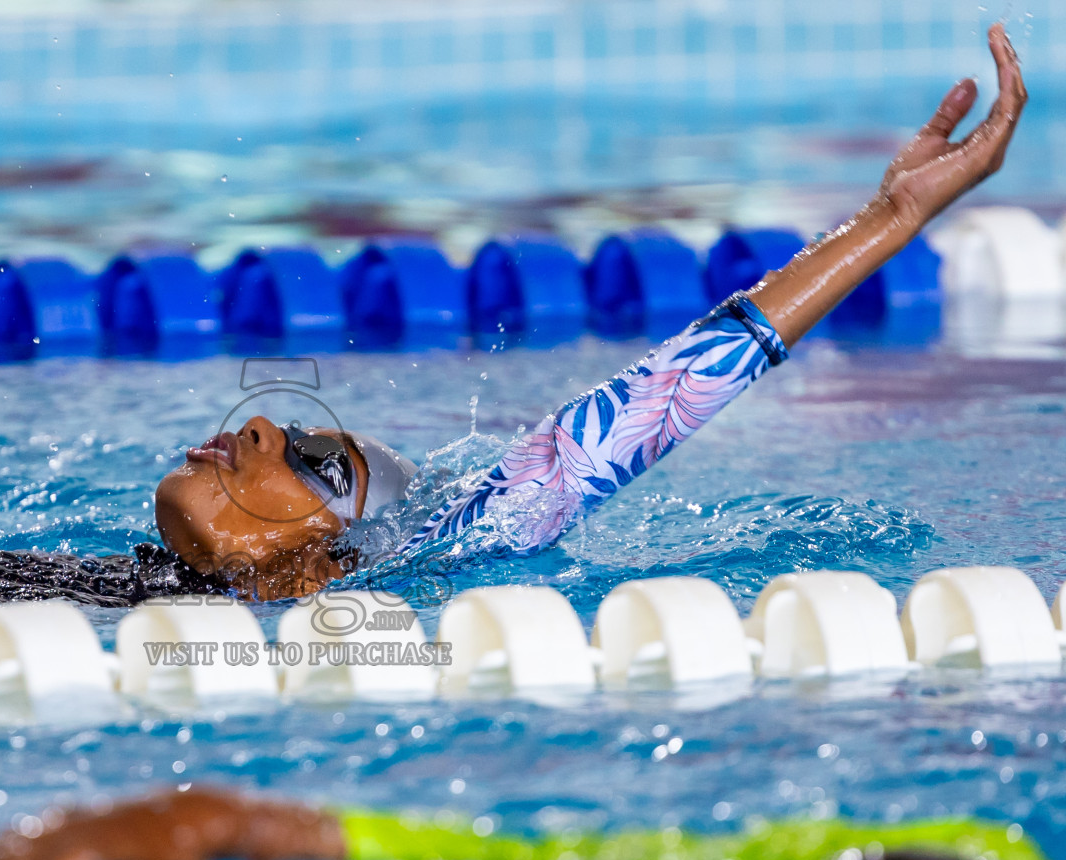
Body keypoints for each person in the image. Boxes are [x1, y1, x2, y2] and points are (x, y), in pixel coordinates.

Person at [155, 24, 1028, 601]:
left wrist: (894, 221)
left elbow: (628, 420)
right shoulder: (103, 597)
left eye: (318, 463)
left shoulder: (390, 584)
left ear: (325, 550)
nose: (265, 423)